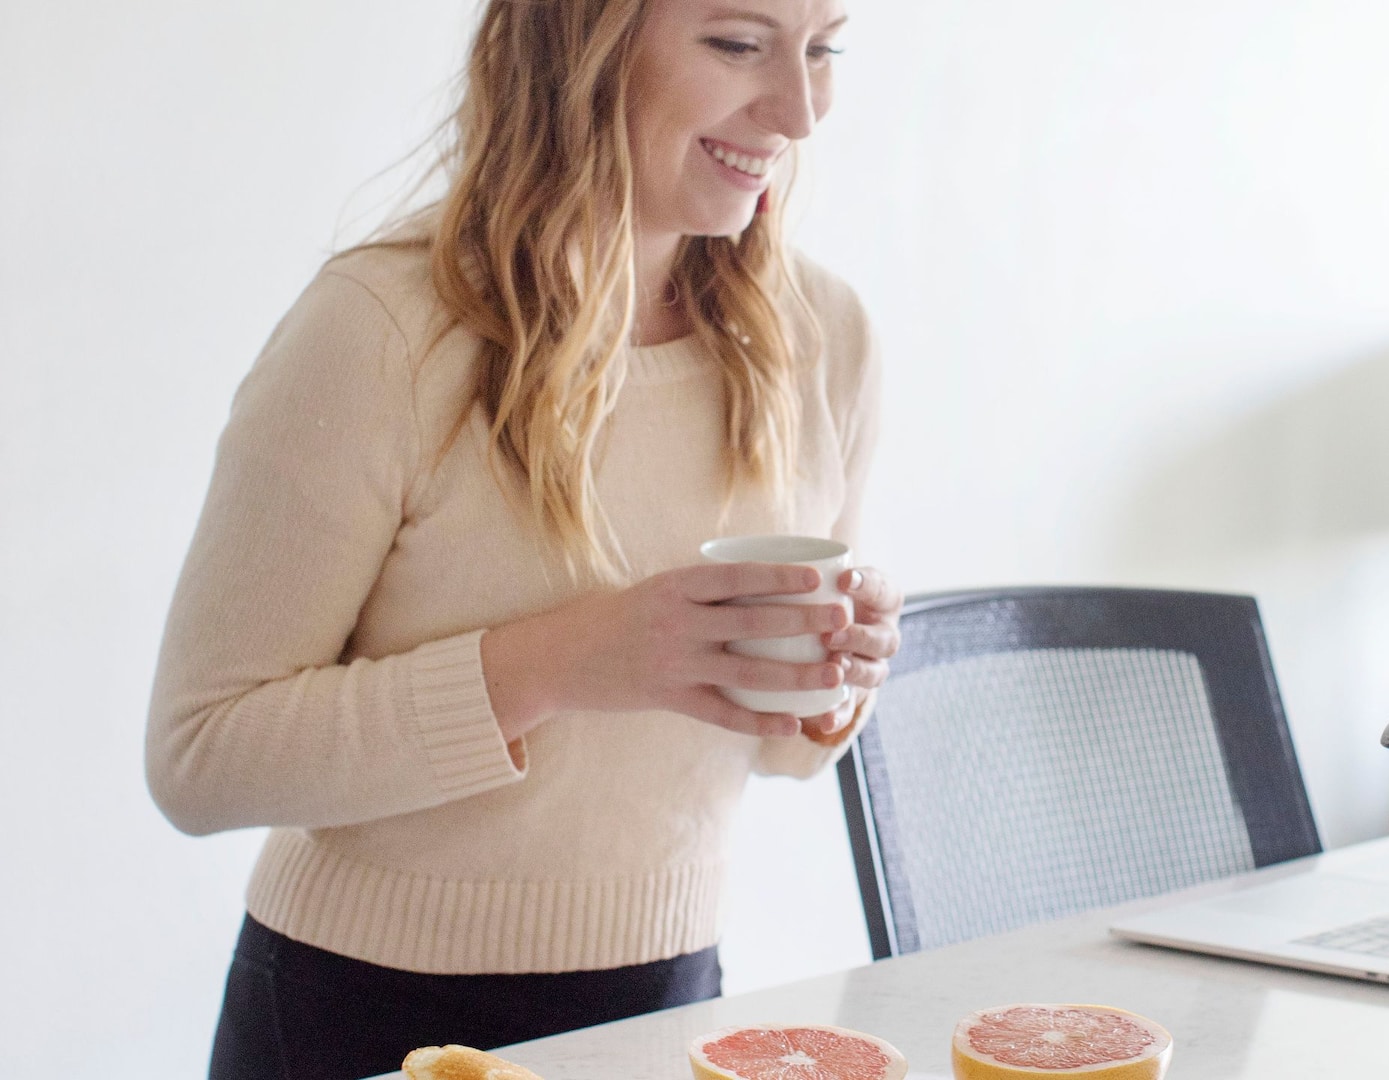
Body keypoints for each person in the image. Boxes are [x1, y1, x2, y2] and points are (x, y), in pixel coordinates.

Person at [144, 1, 894, 1077]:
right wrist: (556, 663)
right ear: (578, 43)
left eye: (822, 50)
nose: (800, 110)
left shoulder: (826, 339)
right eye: (738, 44)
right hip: (357, 1015)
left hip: (670, 1001)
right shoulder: (384, 326)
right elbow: (199, 754)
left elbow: (778, 751)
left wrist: (837, 674)